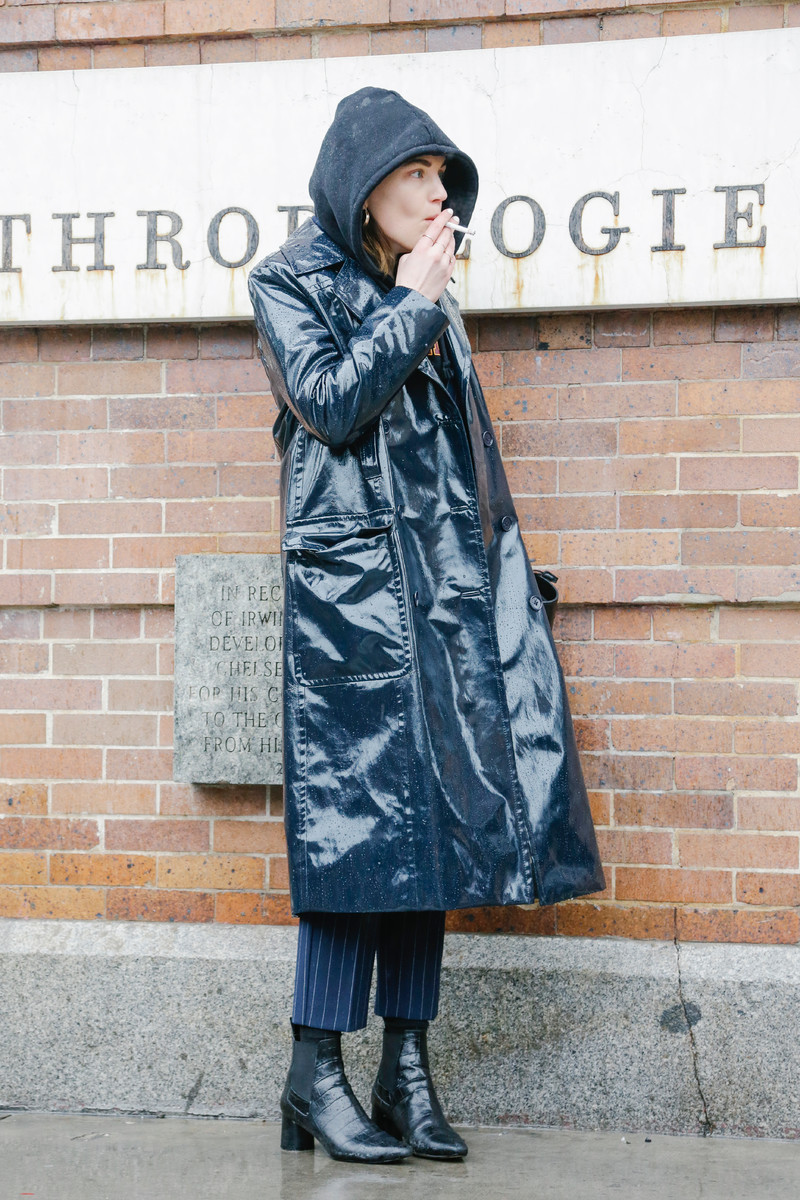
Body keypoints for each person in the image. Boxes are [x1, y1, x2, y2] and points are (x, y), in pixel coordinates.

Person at [247, 86, 606, 1166]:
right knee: (355, 830)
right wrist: (411, 304)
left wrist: (501, 580)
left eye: (442, 176)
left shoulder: (431, 296)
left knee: (439, 827)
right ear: (364, 185)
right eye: (416, 173)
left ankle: (405, 1068)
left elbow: (461, 459)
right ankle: (314, 1072)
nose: (436, 191)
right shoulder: (288, 281)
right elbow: (329, 403)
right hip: (354, 611)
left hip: (444, 596)